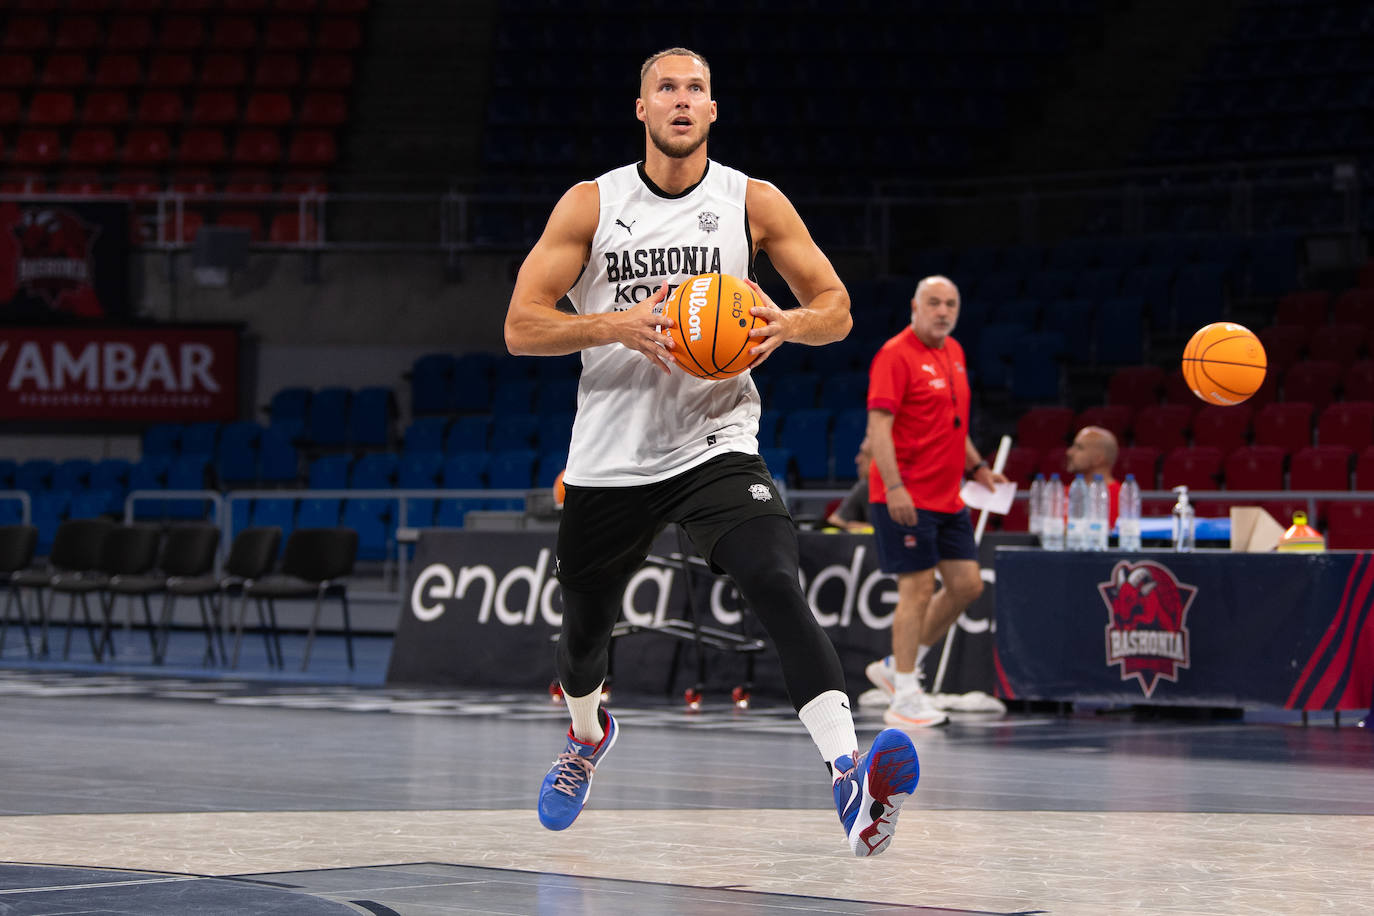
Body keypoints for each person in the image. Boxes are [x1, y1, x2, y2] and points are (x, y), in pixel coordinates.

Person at [504, 47, 919, 858]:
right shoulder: (591, 206)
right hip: (610, 455)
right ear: (642, 109)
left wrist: (786, 324)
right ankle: (587, 736)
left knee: (772, 576)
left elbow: (835, 308)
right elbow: (521, 326)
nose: (682, 100)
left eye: (696, 88)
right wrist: (612, 325)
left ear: (714, 110)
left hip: (715, 440)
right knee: (584, 635)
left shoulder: (751, 201)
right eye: (667, 88)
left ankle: (847, 777)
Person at [863, 275, 1008, 729]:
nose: (943, 311)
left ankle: (895, 667)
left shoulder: (955, 353)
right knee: (917, 590)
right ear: (915, 306)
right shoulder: (894, 355)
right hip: (905, 494)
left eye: (950, 304)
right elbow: (879, 429)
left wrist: (978, 467)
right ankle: (905, 695)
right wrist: (895, 487)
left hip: (948, 497)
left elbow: (953, 424)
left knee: (966, 585)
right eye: (934, 303)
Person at [1065, 425, 1121, 525]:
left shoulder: (1121, 498)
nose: (1069, 452)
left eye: (1079, 448)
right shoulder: (1061, 493)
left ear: (1098, 458)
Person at [825, 437, 873, 532]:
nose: (857, 460)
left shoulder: (901, 487)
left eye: (865, 454)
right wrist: (854, 526)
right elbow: (835, 521)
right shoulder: (864, 485)